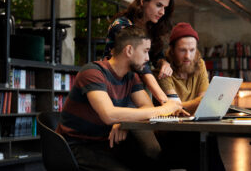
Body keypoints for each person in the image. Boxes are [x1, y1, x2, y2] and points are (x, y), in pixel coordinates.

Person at [56, 26, 182, 171]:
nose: (148, 58)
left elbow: (147, 107)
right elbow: (109, 115)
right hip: (76, 145)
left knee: (155, 162)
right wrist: (165, 109)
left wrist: (123, 121)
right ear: (129, 50)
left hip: (106, 142)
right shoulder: (92, 72)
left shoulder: (131, 76)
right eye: (145, 51)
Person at [155, 22, 225, 171]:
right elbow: (174, 108)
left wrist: (197, 103)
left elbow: (204, 102)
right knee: (200, 141)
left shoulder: (199, 64)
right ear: (172, 50)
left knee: (207, 138)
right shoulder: (164, 70)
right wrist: (199, 101)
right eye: (182, 50)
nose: (188, 56)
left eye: (192, 50)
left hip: (194, 126)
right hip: (170, 130)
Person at [103, 0, 174, 104]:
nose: (162, 12)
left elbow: (157, 55)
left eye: (165, 8)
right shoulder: (121, 25)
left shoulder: (151, 28)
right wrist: (165, 100)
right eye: (158, 5)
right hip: (114, 85)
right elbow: (142, 66)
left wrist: (164, 63)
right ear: (143, 1)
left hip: (136, 87)